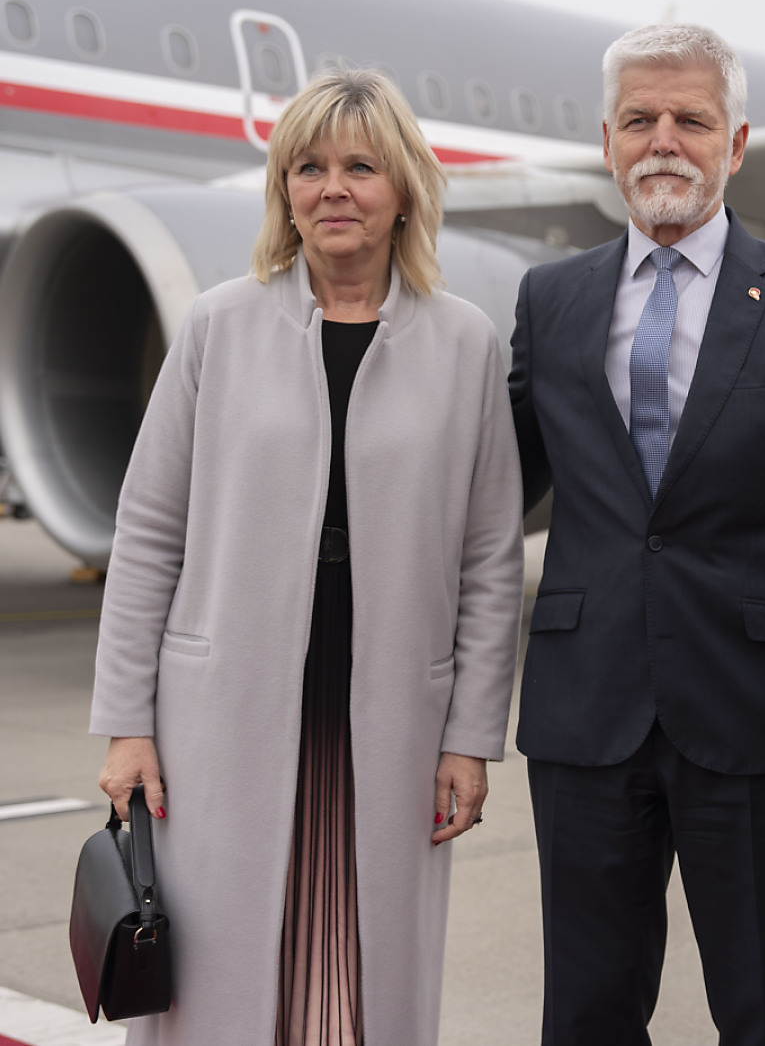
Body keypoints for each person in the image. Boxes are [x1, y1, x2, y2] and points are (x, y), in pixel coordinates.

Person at [90, 68, 523, 1046]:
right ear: (284, 189)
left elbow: (490, 558)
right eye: (309, 167)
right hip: (222, 713)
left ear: (405, 188)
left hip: (390, 712)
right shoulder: (217, 325)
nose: (334, 189)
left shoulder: (464, 345)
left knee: (360, 967)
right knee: (219, 977)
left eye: (360, 167)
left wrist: (469, 736)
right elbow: (150, 528)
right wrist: (125, 721)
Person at [509, 23, 765, 1046]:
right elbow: (483, 491)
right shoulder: (550, 302)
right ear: (606, 141)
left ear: (736, 143)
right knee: (585, 1015)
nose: (663, 141)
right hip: (586, 720)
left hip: (761, 720)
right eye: (639, 120)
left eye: (691, 119)